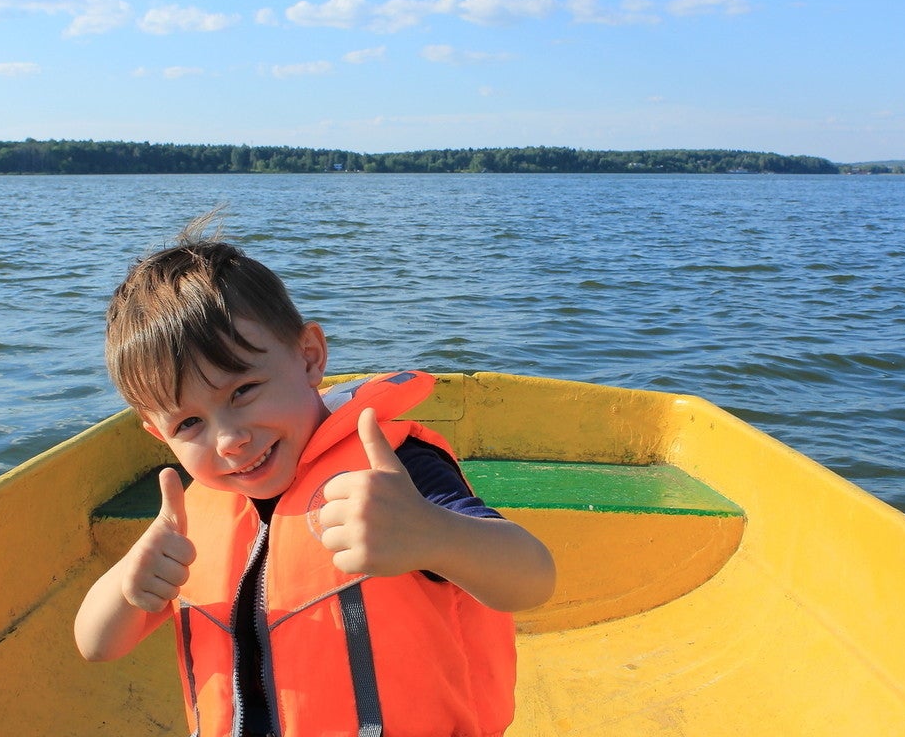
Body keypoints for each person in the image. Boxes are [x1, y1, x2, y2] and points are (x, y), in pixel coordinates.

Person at [74, 215, 556, 737]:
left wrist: (434, 535)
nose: (228, 439)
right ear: (157, 434)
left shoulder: (394, 473)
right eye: (188, 423)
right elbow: (96, 645)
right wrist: (129, 585)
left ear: (309, 357)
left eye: (243, 391)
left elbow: (533, 577)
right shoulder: (191, 517)